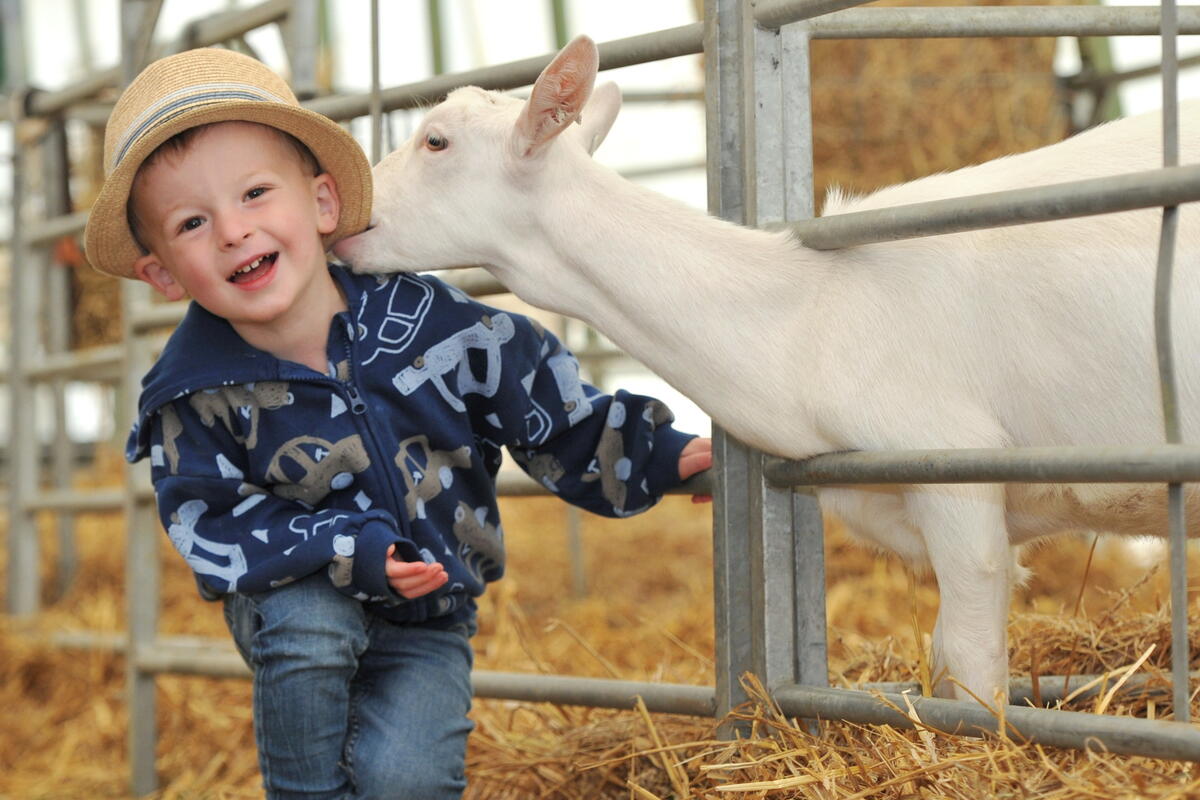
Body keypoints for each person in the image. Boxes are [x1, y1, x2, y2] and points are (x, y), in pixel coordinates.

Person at [84, 47, 712, 799]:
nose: (231, 231)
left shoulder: (428, 325)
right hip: (296, 597)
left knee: (405, 781)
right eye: (192, 222)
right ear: (160, 274)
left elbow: (546, 411)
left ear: (321, 204)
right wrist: (353, 549)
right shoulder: (190, 394)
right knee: (314, 629)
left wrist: (661, 454)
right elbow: (208, 522)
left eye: (255, 193)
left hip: (427, 612)